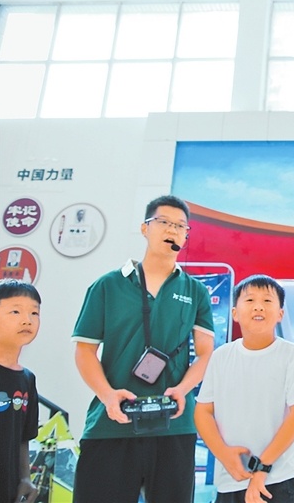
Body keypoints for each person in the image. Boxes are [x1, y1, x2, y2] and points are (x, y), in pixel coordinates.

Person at [72, 195, 215, 503]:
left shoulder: (195, 291)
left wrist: (183, 389)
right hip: (112, 424)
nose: (172, 230)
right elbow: (84, 351)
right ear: (145, 228)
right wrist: (108, 395)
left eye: (180, 226)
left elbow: (206, 353)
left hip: (174, 425)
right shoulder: (107, 285)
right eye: (163, 222)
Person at [195, 275, 294, 503]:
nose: (258, 306)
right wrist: (224, 455)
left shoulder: (291, 354)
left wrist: (262, 467)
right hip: (233, 478)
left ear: (280, 314)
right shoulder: (221, 357)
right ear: (234, 313)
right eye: (250, 300)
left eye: (267, 301)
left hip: (283, 479)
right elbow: (203, 412)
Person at [0, 279, 41, 503]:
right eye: (15, 311)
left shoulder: (27, 380)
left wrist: (25, 478)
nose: (27, 320)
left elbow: (23, 438)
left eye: (34, 313)